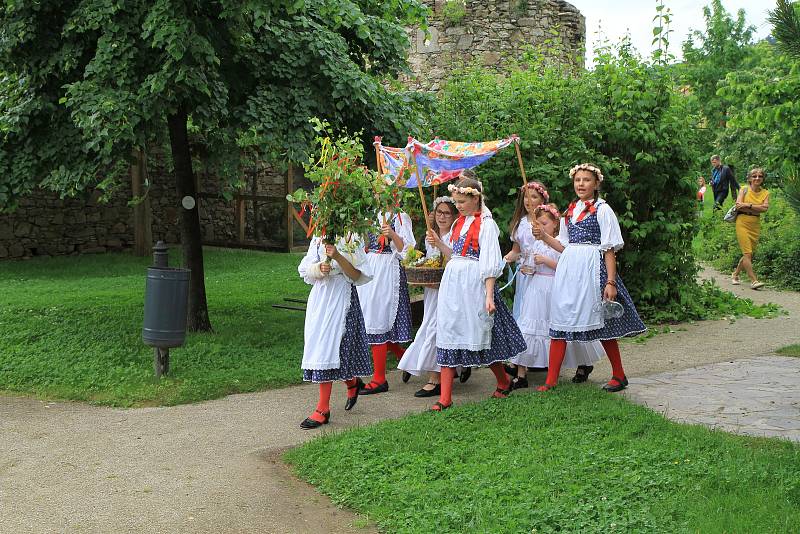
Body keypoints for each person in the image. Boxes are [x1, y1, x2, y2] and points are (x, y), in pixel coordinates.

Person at [533, 163, 646, 393]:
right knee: (560, 321)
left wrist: (610, 282)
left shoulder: (603, 210)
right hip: (570, 272)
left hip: (593, 271)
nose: (581, 184)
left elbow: (609, 249)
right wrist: (544, 236)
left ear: (596, 184)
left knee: (603, 324)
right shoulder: (570, 210)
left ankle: (619, 375)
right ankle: (551, 381)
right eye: (577, 180)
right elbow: (564, 246)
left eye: (586, 180)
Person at [431, 175, 526, 411]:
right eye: (457, 202)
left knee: (482, 336)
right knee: (449, 331)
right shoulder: (457, 224)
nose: (458, 206)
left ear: (476, 198)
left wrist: (489, 294)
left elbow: (490, 262)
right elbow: (454, 254)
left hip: (474, 284)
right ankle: (445, 398)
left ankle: (503, 380)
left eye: (462, 201)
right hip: (453, 283)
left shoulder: (486, 225)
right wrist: (438, 243)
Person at [506, 202, 604, 389]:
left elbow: (565, 267)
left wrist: (546, 261)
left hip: (554, 288)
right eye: (538, 224)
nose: (541, 228)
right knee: (528, 326)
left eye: (544, 224)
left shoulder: (560, 243)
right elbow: (531, 263)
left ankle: (577, 364)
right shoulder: (537, 244)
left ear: (555, 224)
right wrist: (529, 268)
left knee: (559, 328)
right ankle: (521, 373)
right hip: (536, 289)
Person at [297, 236, 373, 429]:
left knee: (331, 348)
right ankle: (352, 383)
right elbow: (305, 268)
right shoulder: (318, 237)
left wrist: (338, 256)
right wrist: (318, 268)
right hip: (321, 297)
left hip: (341, 295)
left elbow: (357, 275)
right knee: (324, 348)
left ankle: (323, 409)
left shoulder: (351, 238)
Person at [398, 196, 457, 397]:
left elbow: (454, 259)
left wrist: (439, 243)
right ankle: (431, 369)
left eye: (447, 213)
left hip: (448, 290)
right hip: (432, 290)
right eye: (439, 212)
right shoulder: (429, 236)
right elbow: (431, 262)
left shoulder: (455, 236)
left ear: (454, 215)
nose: (442, 216)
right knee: (429, 326)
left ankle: (435, 379)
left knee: (436, 329)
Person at [357, 209, 416, 394]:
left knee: (377, 321)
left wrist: (392, 235)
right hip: (370, 266)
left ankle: (380, 379)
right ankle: (407, 359)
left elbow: (407, 250)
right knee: (368, 320)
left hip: (387, 269)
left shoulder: (400, 217)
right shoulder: (371, 212)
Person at [732, 167, 770, 290]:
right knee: (747, 253)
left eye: (760, 176)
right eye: (754, 176)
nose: (757, 178)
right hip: (742, 222)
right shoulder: (744, 189)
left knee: (748, 254)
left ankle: (735, 274)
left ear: (763, 179)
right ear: (749, 178)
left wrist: (748, 205)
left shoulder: (765, 193)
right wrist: (756, 206)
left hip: (755, 224)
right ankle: (753, 280)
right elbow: (738, 206)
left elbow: (765, 208)